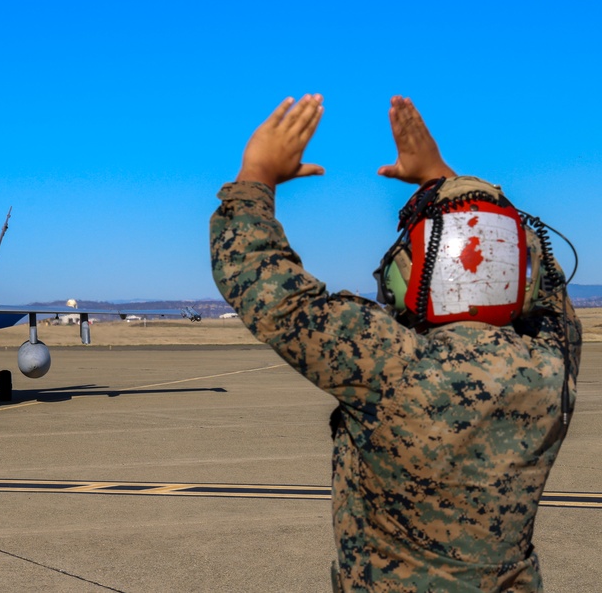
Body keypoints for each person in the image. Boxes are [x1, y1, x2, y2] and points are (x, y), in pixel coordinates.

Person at [209, 94, 582, 592]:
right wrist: (445, 178)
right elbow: (550, 287)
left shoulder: (389, 364)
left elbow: (262, 279)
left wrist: (256, 175)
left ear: (406, 277)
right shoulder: (551, 365)